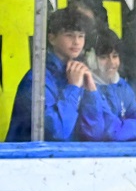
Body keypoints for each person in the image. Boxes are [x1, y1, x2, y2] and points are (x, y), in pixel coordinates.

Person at [7, 8, 96, 142]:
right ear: (52, 38)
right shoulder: (37, 79)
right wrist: (73, 88)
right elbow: (57, 132)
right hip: (29, 159)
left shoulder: (79, 73)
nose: (76, 42)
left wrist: (92, 92)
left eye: (81, 36)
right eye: (69, 35)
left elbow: (97, 131)